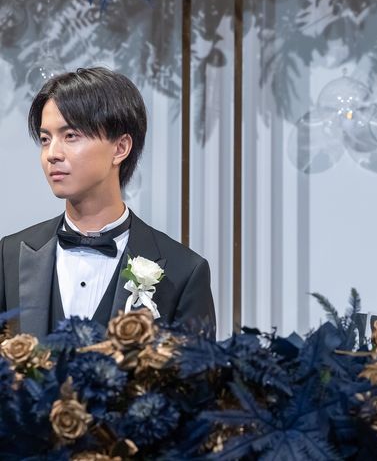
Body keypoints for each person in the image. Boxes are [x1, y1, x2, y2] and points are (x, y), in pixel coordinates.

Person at [0, 67, 216, 339]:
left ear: (120, 148)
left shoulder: (182, 272)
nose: (52, 154)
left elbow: (197, 365)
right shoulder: (10, 256)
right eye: (45, 139)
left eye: (70, 136)